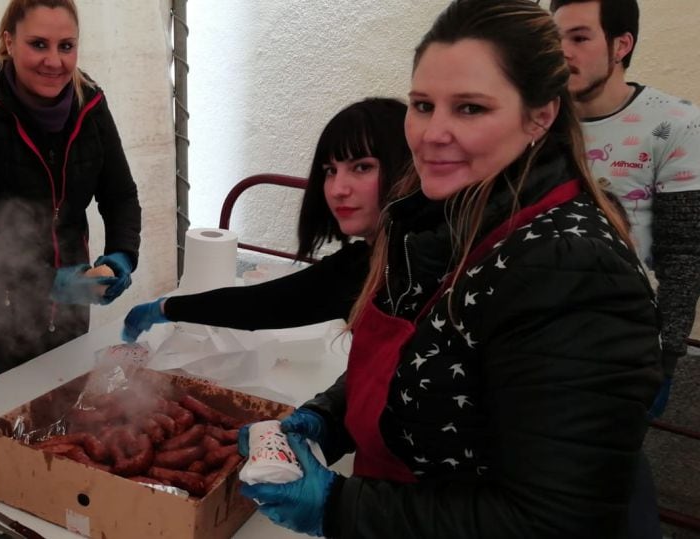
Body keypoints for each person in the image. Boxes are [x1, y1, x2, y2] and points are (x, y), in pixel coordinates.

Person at [238, 1, 663, 537]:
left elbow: (554, 522)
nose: (431, 133)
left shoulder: (573, 269)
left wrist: (338, 507)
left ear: (541, 115)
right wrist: (329, 416)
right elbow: (426, 362)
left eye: (469, 108)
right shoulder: (450, 215)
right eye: (422, 105)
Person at [0, 0, 142, 377]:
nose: (53, 61)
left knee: (64, 396)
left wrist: (121, 255)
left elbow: (120, 195)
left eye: (66, 46)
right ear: (9, 41)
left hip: (73, 305)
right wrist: (48, 284)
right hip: (0, 309)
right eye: (38, 44)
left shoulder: (91, 103)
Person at [121, 98, 410, 342]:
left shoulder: (418, 267)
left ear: (407, 168)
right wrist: (167, 308)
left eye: (362, 167)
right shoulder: (360, 264)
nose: (337, 189)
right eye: (330, 170)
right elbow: (263, 304)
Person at [550, 0, 700, 419]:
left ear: (621, 45)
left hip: (620, 346)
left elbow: (683, 252)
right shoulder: (535, 120)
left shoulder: (676, 123)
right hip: (533, 333)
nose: (563, 51)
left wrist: (666, 357)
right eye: (555, 38)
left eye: (579, 37)